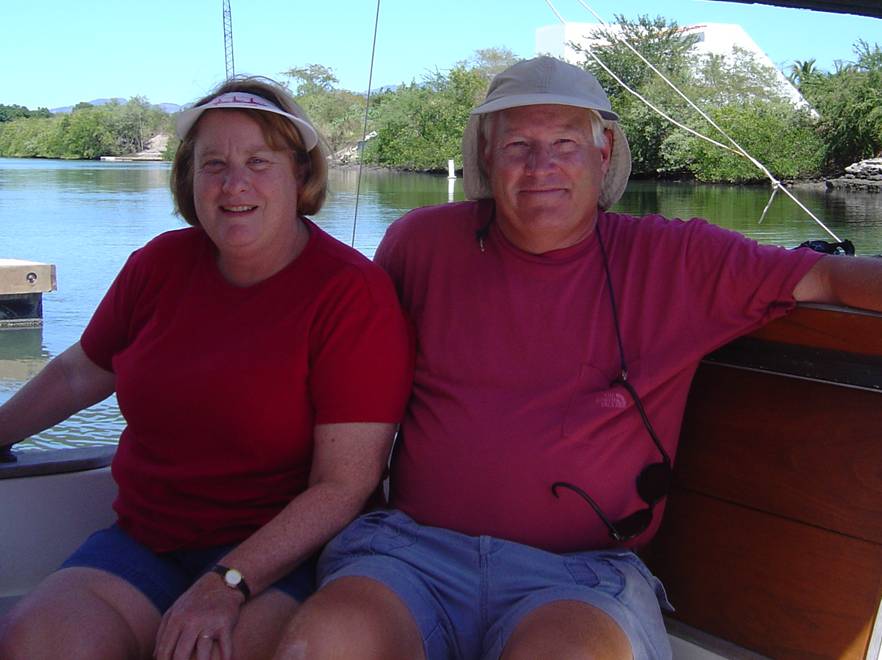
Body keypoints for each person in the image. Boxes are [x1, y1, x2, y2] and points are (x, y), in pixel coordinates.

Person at [274, 57, 882, 660]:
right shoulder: (419, 244)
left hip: (577, 578)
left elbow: (828, 277)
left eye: (565, 142)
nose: (541, 166)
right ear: (486, 154)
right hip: (411, 556)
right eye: (517, 145)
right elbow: (348, 361)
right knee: (316, 646)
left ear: (603, 151)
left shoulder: (677, 261)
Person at [0, 76, 413, 660]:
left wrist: (228, 582)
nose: (233, 183)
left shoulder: (352, 295)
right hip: (147, 542)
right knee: (35, 641)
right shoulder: (157, 265)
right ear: (188, 178)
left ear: (300, 175)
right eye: (213, 164)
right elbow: (79, 372)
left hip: (288, 557)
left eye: (258, 162)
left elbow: (344, 484)